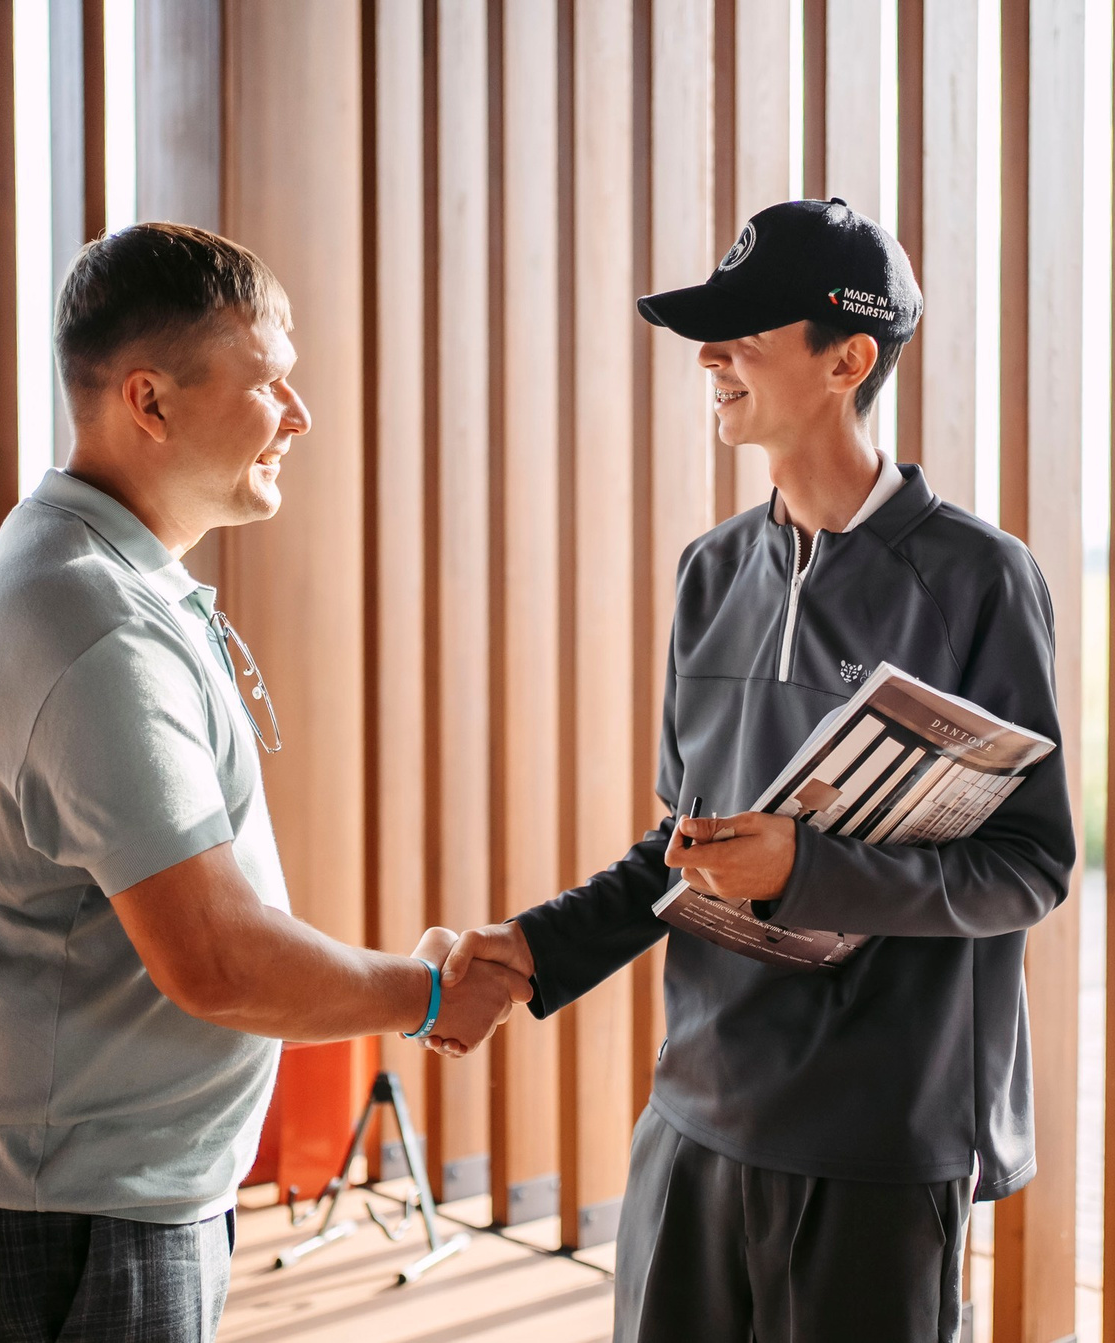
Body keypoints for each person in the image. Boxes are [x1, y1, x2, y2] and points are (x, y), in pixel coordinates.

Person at [429, 197, 1076, 1343]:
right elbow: (682, 851)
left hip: (877, 1144)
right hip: (693, 1118)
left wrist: (804, 868)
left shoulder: (980, 579)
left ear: (849, 360)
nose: (708, 357)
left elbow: (1027, 866)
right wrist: (531, 950)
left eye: (745, 331)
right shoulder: (711, 571)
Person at [0, 223, 527, 1343]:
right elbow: (218, 960)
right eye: (270, 383)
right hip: (79, 1223)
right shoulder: (97, 627)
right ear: (149, 401)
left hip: (75, 1199)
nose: (300, 415)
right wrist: (426, 994)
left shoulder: (77, 564)